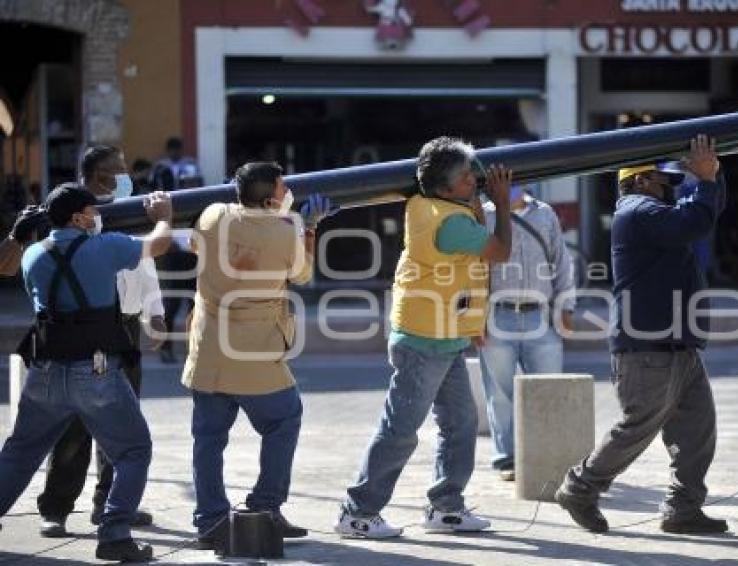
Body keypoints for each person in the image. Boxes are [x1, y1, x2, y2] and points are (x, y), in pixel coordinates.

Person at [336, 137, 512, 539]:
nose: (476, 181)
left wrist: (471, 326)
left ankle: (446, 507)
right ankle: (358, 512)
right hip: (426, 338)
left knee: (460, 422)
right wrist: (501, 201)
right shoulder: (450, 223)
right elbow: (498, 251)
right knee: (401, 429)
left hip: (442, 334)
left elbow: (470, 267)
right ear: (446, 189)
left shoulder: (431, 203)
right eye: (467, 178)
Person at [555, 135, 728, 535]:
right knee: (638, 426)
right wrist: (702, 180)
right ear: (639, 182)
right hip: (648, 345)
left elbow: (708, 210)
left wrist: (713, 174)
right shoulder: (637, 211)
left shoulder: (654, 211)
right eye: (661, 180)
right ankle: (580, 487)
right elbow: (695, 220)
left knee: (697, 429)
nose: (669, 186)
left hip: (676, 343)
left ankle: (682, 509)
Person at [0, 184, 173, 562]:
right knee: (133, 451)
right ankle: (113, 534)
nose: (99, 217)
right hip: (95, 369)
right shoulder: (105, 247)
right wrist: (163, 218)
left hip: (45, 369)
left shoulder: (32, 255)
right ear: (79, 217)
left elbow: (19, 277)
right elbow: (157, 246)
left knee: (20, 453)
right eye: (94, 212)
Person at [181, 162, 334, 551]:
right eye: (284, 189)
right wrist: (309, 227)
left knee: (208, 439)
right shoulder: (285, 234)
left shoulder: (213, 214)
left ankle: (210, 521)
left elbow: (196, 245)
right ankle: (265, 508)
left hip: (210, 352)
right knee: (285, 419)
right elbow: (301, 276)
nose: (288, 194)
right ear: (270, 198)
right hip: (255, 354)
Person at [32, 146, 167, 538]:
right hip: (85, 326)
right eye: (116, 171)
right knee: (75, 421)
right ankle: (55, 508)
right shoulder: (72, 212)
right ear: (93, 176)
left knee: (120, 421)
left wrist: (153, 311)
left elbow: (144, 260)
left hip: (124, 326)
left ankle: (109, 506)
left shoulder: (131, 206)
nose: (125, 176)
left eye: (125, 169)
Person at [479, 184, 576, 481]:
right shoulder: (483, 215)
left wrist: (566, 306)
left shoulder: (544, 214)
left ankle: (547, 456)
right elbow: (474, 267)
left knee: (549, 389)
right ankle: (507, 459)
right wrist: (473, 317)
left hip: (539, 314)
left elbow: (561, 260)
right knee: (500, 393)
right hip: (497, 314)